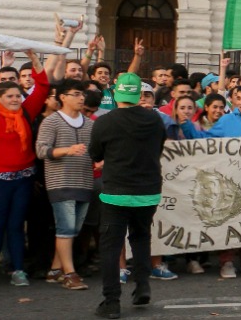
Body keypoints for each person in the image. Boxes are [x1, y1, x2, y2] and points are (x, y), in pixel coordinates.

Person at [90, 73, 166, 319]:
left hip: (116, 193)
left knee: (111, 247)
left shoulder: (104, 122)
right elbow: (160, 146)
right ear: (137, 95)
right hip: (148, 192)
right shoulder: (155, 120)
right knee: (141, 238)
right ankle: (142, 285)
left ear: (115, 94)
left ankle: (111, 301)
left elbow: (95, 153)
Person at [0, 75, 48, 288]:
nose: (16, 99)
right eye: (10, 96)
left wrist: (35, 59)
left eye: (18, 95)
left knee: (16, 225)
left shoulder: (26, 112)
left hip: (23, 178)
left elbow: (42, 87)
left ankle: (18, 270)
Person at [34, 79, 95, 291]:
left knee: (74, 229)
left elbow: (95, 150)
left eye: (82, 94)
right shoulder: (51, 121)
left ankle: (54, 270)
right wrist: (66, 150)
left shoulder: (90, 124)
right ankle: (70, 274)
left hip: (85, 182)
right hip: (60, 182)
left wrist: (100, 159)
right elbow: (41, 150)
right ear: (62, 97)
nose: (81, 98)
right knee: (66, 228)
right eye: (76, 94)